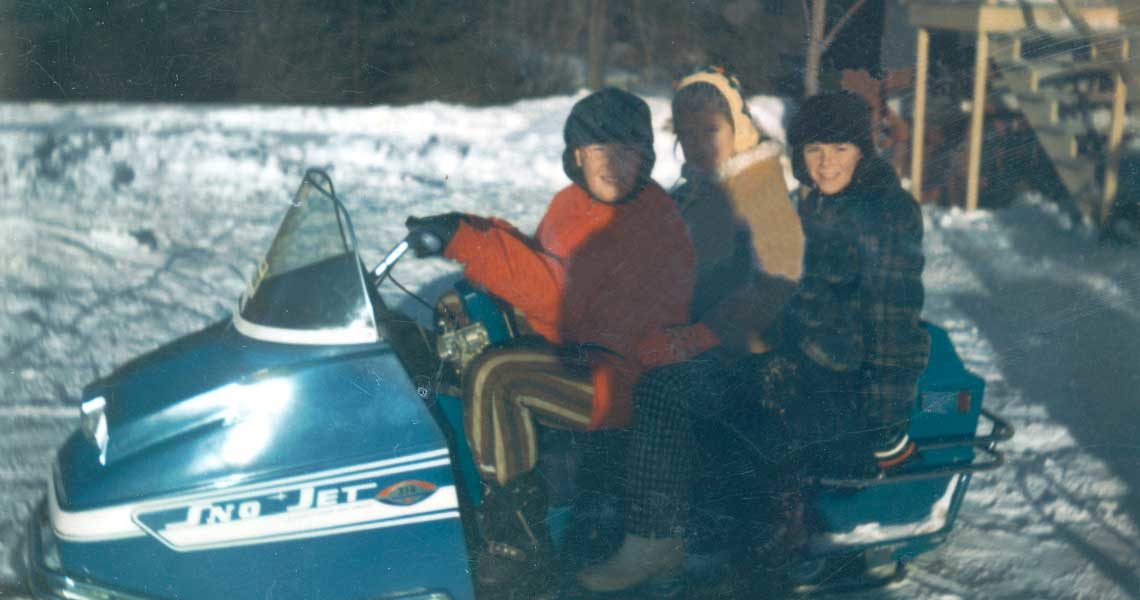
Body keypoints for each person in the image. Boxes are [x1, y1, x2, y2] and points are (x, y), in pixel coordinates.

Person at [404, 88, 696, 596]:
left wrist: (467, 243)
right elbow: (542, 266)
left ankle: (520, 549)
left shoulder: (654, 220)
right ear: (576, 155)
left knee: (499, 376)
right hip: (585, 358)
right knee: (459, 358)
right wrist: (473, 230)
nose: (612, 162)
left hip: (626, 380)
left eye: (627, 149)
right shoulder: (570, 204)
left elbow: (556, 295)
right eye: (598, 148)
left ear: (645, 157)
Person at [578, 67, 805, 592]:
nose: (699, 143)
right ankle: (606, 514)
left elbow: (776, 284)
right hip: (702, 341)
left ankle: (656, 540)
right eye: (688, 132)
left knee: (662, 389)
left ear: (737, 126)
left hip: (751, 355)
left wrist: (693, 338)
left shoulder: (762, 186)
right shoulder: (696, 190)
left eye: (711, 130)